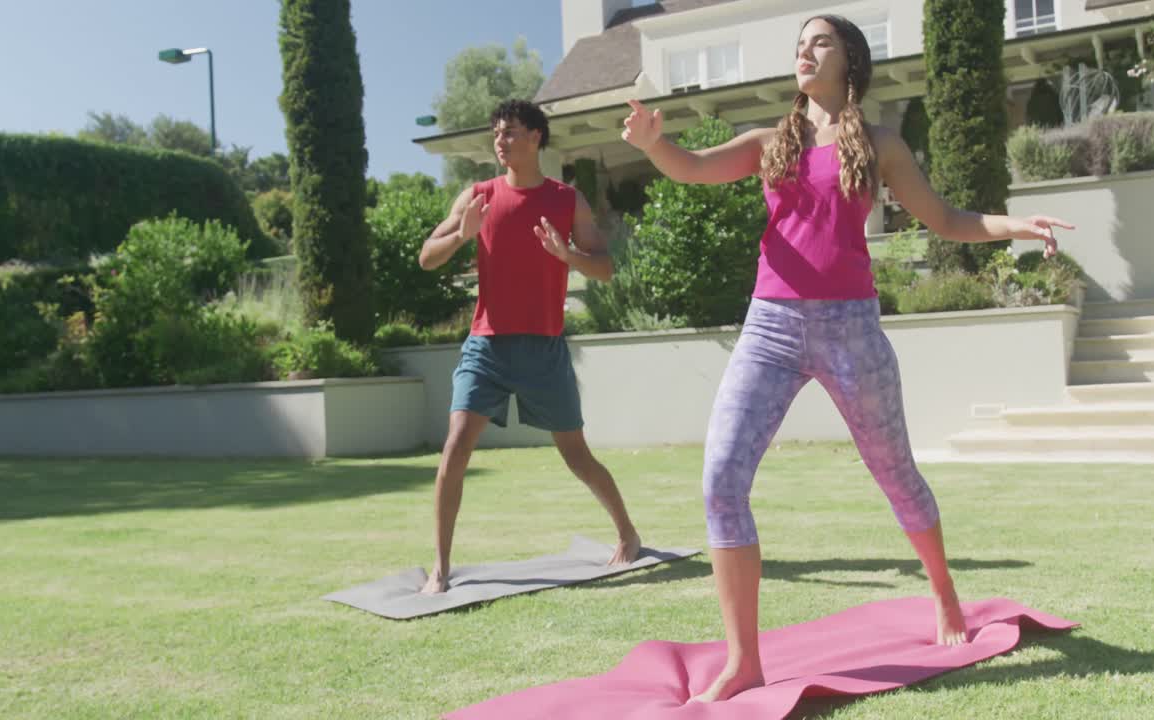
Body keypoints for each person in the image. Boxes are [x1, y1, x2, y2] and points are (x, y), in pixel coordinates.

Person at [620, 15, 1072, 702]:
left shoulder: (880, 144)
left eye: (819, 41)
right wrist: (656, 146)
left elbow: (946, 219)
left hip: (850, 329)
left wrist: (1016, 224)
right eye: (799, 43)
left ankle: (946, 596)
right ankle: (745, 660)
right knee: (720, 479)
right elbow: (693, 167)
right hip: (768, 326)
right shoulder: (770, 142)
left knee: (895, 473)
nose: (804, 50)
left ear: (850, 60)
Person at [417, 99, 642, 595]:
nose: (501, 141)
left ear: (537, 137)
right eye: (497, 133)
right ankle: (440, 567)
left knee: (577, 456)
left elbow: (605, 267)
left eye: (512, 132)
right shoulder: (476, 195)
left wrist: (569, 254)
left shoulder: (567, 200)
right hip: (487, 347)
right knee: (454, 449)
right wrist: (462, 232)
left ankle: (628, 533)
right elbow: (426, 259)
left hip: (544, 350)